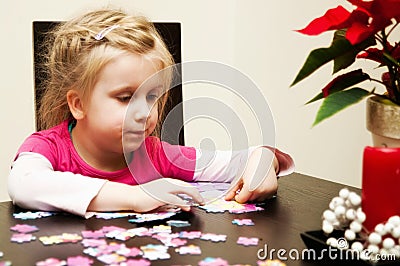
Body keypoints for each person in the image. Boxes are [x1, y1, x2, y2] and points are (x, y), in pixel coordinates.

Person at [8, 9, 294, 218]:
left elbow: (241, 159)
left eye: (153, 97)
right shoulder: (47, 148)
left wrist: (262, 161)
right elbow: (24, 184)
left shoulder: (155, 154)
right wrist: (134, 196)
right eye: (125, 98)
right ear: (78, 104)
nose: (145, 112)